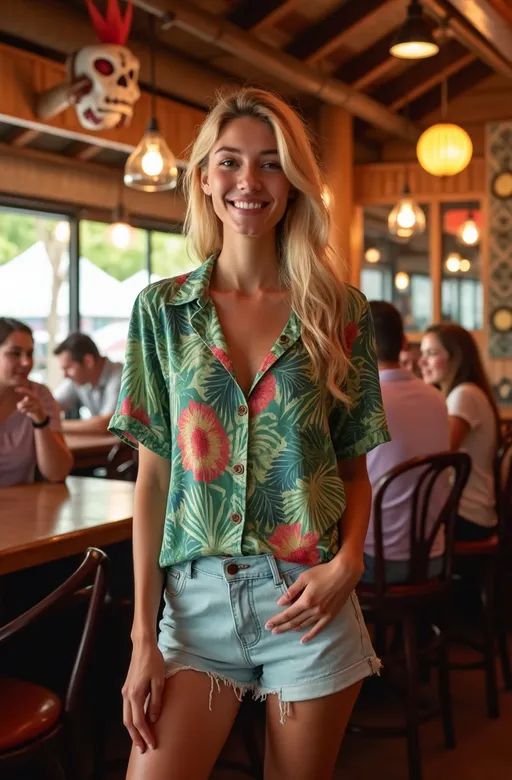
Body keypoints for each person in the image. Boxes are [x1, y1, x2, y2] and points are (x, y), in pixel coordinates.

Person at [109, 87, 390, 780]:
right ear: (204, 179)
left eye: (270, 164)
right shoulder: (162, 310)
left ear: (292, 185)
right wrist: (144, 638)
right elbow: (153, 481)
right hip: (194, 606)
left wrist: (347, 564)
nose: (248, 182)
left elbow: (355, 472)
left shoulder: (339, 309)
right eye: (229, 162)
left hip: (308, 600)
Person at [362, 302, 450, 584]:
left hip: (376, 564)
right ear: (403, 343)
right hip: (433, 557)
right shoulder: (438, 399)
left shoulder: (363, 401)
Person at [420, 323, 499, 541]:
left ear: (457, 357)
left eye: (432, 353)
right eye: (423, 353)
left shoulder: (464, 395)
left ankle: (419, 575)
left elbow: (442, 454)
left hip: (469, 515)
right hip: (469, 510)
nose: (422, 361)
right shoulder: (465, 392)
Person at [0, 317, 73, 487]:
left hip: (21, 508)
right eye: (15, 353)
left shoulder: (40, 395)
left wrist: (40, 420)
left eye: (30, 354)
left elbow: (57, 473)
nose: (26, 362)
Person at [53, 333, 123, 434]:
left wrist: (54, 425)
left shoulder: (120, 376)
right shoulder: (80, 379)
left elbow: (107, 424)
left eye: (68, 368)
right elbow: (52, 405)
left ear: (88, 361)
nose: (65, 375)